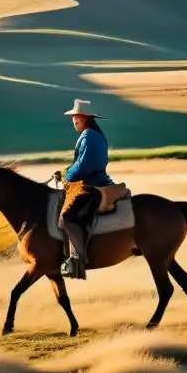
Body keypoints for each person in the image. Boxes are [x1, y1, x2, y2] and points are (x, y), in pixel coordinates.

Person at [54, 99, 113, 279]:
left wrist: (67, 177)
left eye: (76, 117)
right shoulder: (94, 134)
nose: (74, 120)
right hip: (95, 181)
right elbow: (79, 163)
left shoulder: (89, 136)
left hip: (91, 184)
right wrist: (65, 171)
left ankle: (77, 259)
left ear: (85, 118)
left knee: (66, 218)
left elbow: (83, 167)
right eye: (74, 117)